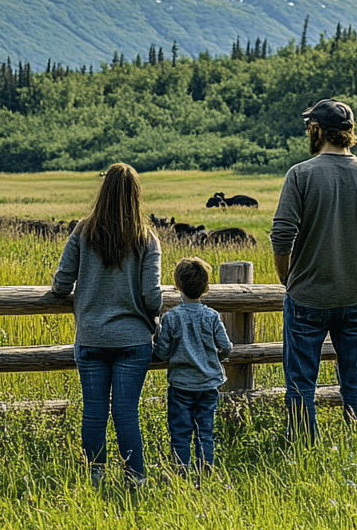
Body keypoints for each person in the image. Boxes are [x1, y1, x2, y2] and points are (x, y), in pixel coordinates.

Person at [270, 99, 357, 441]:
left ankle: (302, 446)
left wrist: (287, 275)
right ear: (348, 133)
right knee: (355, 377)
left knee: (300, 381)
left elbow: (282, 235)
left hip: (307, 296)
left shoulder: (300, 174)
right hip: (355, 296)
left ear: (316, 130)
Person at [51, 163, 163, 487]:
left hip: (91, 337)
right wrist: (153, 316)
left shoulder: (83, 231)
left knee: (94, 414)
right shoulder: (146, 237)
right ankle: (135, 479)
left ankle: (95, 478)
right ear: (136, 196)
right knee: (126, 414)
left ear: (102, 193)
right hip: (133, 340)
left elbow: (61, 284)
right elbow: (152, 295)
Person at [152, 256, 232, 473]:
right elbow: (226, 347)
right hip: (208, 384)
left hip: (181, 385)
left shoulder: (171, 318)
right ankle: (205, 470)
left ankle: (181, 472)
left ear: (178, 285)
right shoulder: (212, 317)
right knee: (205, 431)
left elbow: (162, 352)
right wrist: (215, 359)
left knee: (180, 432)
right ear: (206, 287)